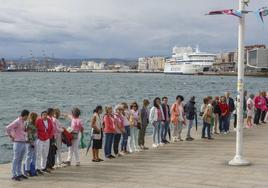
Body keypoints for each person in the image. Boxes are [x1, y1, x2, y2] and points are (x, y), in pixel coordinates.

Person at [6, 110, 30, 181]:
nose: (28, 117)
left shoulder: (22, 121)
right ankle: (14, 174)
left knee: (20, 159)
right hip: (17, 142)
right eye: (27, 116)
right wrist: (11, 136)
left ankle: (19, 173)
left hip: (23, 142)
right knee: (16, 158)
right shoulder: (17, 121)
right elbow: (8, 127)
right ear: (25, 115)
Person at [25, 112, 38, 177]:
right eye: (36, 117)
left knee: (34, 156)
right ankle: (27, 170)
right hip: (30, 142)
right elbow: (28, 134)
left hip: (35, 140)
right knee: (29, 155)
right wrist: (31, 143)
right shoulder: (29, 124)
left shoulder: (34, 123)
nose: (37, 118)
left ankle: (33, 169)